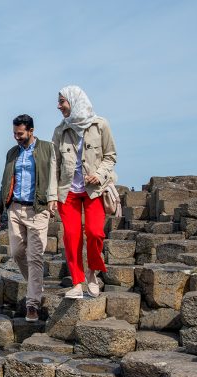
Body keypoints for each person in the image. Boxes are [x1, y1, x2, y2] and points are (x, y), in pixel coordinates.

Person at [53, 85, 117, 300]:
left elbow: (111, 156)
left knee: (95, 232)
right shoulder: (60, 130)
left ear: (74, 100)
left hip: (94, 190)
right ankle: (77, 282)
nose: (59, 105)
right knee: (71, 237)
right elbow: (55, 164)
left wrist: (99, 174)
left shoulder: (101, 125)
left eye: (62, 101)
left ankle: (92, 273)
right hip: (68, 191)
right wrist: (52, 195)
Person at [0, 114, 57, 322]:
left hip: (38, 209)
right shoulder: (12, 153)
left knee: (35, 257)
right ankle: (35, 285)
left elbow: (58, 174)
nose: (17, 137)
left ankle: (33, 304)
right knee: (18, 253)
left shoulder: (47, 148)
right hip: (15, 208)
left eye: (20, 134)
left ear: (31, 131)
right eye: (14, 134)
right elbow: (5, 182)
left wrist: (56, 199)